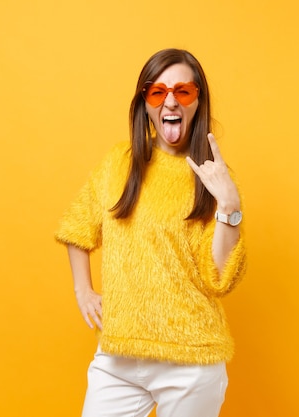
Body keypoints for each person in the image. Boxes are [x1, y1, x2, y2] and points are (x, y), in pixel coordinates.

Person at [55, 48, 247, 417]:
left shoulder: (215, 177)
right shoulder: (119, 163)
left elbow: (220, 278)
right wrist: (83, 289)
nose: (170, 100)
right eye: (157, 92)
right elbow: (77, 227)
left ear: (197, 101)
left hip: (191, 362)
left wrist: (229, 208)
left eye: (183, 91)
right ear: (145, 103)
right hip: (119, 357)